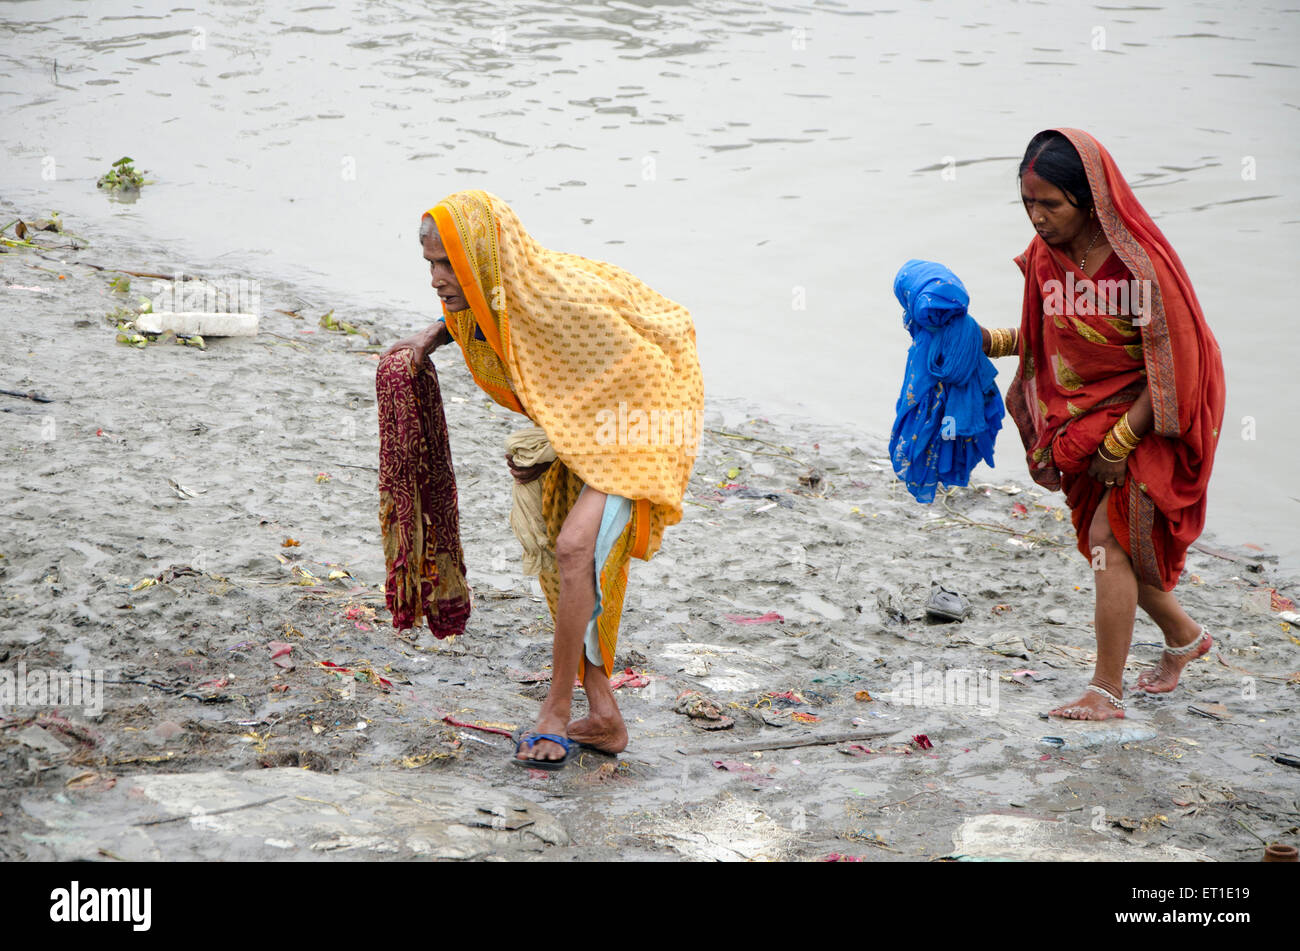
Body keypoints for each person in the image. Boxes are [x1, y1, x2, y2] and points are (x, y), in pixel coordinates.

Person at [383, 190, 704, 765]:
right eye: (429, 263)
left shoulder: (560, 301)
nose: (436, 278)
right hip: (595, 421)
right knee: (573, 568)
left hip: (651, 410)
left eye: (447, 264)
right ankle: (604, 715)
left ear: (481, 258)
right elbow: (486, 316)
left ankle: (555, 710)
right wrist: (433, 335)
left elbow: (643, 367)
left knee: (575, 547)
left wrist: (569, 440)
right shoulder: (500, 292)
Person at [979, 129, 1226, 720]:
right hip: (1087, 418)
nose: (1038, 218)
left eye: (1051, 205)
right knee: (1115, 546)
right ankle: (1186, 639)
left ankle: (1106, 692)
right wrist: (979, 341)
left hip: (1157, 411)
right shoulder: (1047, 256)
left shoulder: (1135, 266)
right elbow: (1044, 338)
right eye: (1028, 204)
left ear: (1090, 200)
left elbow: (1167, 361)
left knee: (1106, 543)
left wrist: (1120, 439)